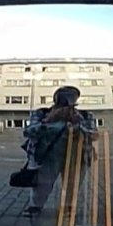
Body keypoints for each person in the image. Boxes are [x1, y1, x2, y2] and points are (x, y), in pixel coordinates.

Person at [21, 86, 96, 216]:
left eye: (72, 98)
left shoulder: (84, 115)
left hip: (78, 155)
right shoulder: (42, 113)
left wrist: (77, 125)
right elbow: (28, 131)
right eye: (64, 98)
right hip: (49, 155)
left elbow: (93, 134)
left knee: (73, 184)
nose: (67, 103)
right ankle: (35, 206)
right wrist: (49, 121)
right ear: (56, 99)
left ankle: (68, 207)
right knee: (43, 183)